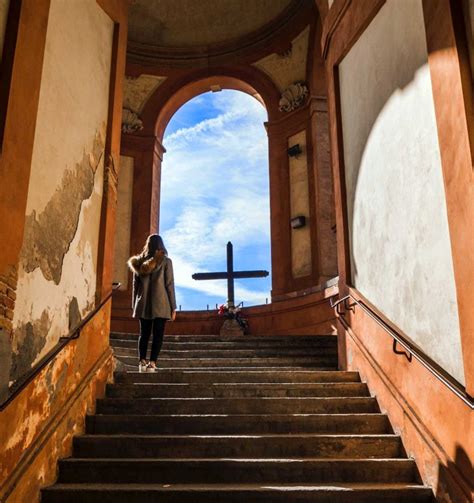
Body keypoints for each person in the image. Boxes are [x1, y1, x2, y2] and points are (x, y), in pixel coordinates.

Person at [127, 234, 177, 372]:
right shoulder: (166, 262)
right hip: (161, 303)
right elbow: (169, 284)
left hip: (142, 304)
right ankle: (152, 364)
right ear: (161, 245)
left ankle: (142, 362)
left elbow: (134, 286)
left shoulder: (137, 263)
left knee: (144, 333)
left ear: (147, 245)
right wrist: (173, 307)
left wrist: (134, 306)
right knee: (158, 334)